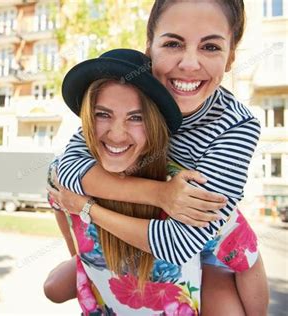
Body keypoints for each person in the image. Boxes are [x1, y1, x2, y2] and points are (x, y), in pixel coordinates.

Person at [46, 0, 269, 315]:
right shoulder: (134, 98)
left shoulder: (236, 125)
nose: (189, 64)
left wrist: (86, 208)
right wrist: (160, 194)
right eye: (173, 43)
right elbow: (65, 171)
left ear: (230, 56)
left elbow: (178, 245)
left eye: (211, 47)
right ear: (149, 48)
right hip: (145, 223)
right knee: (56, 287)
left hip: (207, 239)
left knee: (232, 301)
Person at [48, 48, 204, 314]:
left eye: (135, 117)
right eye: (102, 114)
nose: (116, 134)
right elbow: (75, 251)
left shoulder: (187, 187)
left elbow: (241, 262)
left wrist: (88, 210)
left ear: (154, 123)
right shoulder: (61, 179)